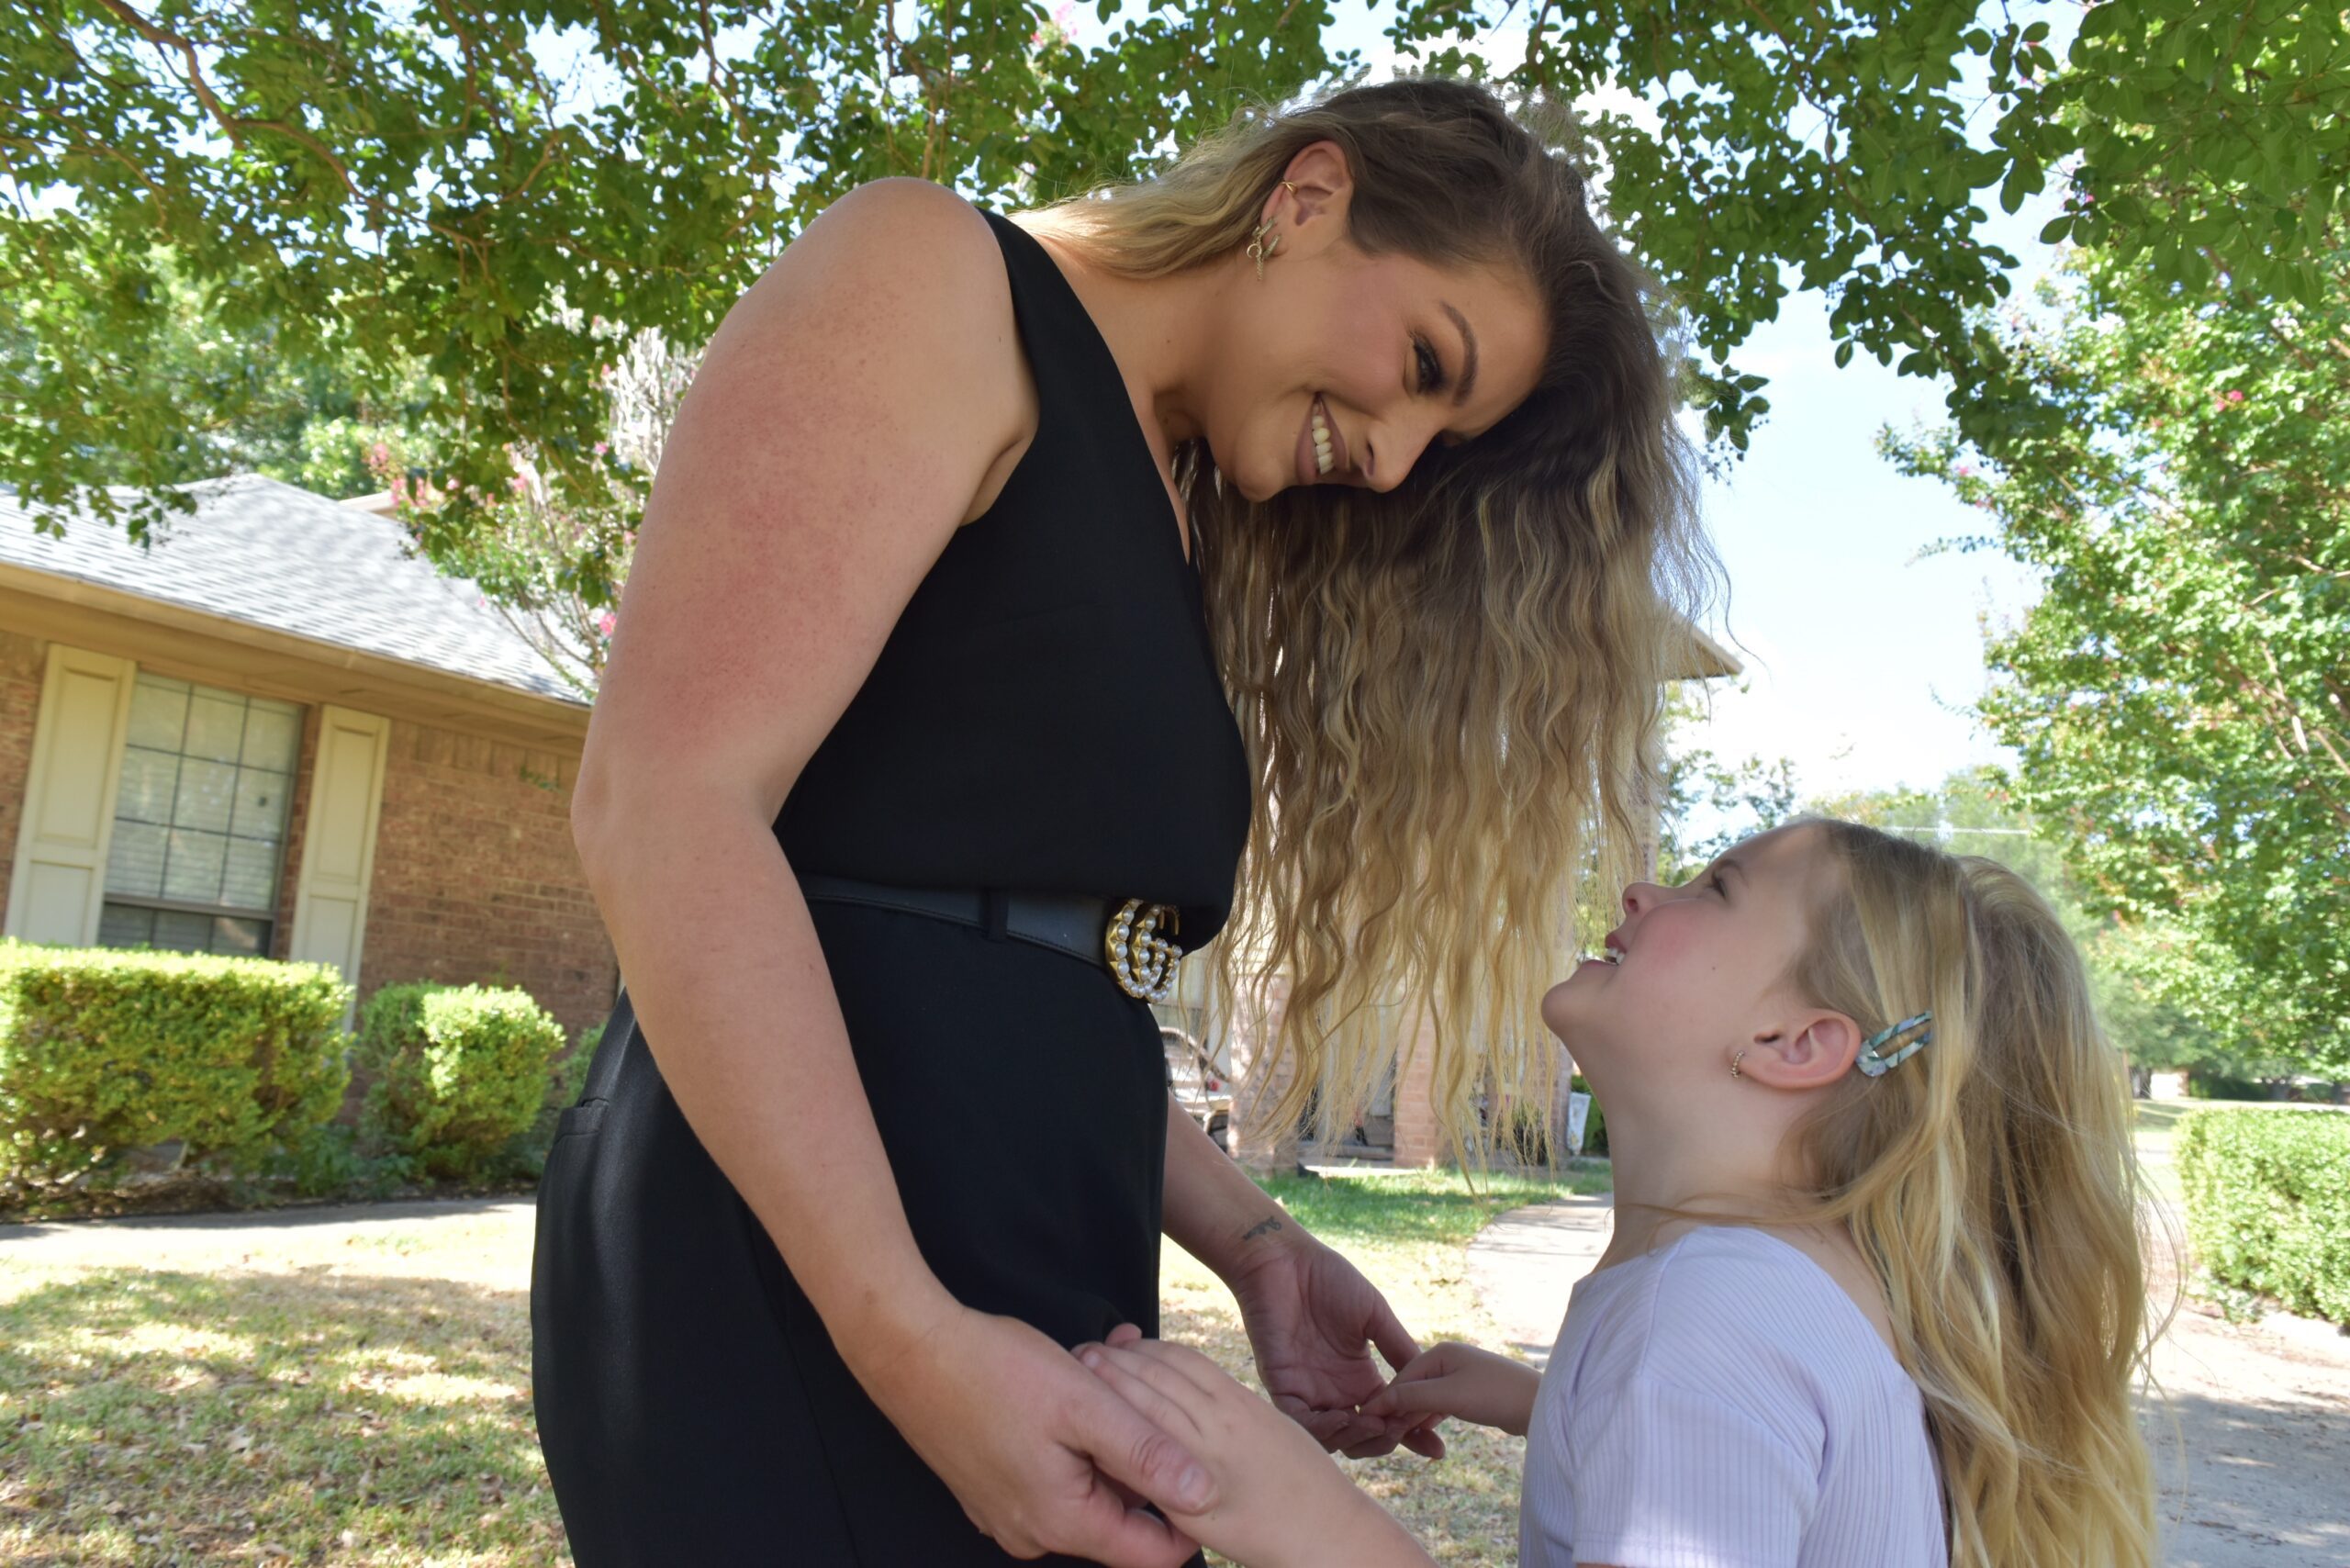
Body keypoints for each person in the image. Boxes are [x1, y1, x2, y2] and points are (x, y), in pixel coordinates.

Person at [531, 74, 1708, 1567]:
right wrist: (906, 1334)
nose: (1401, 458)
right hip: (798, 1263)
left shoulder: (1177, 505)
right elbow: (663, 806)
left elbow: (1018, 968)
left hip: (1027, 1254)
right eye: (1423, 361)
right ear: (1308, 197)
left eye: (1444, 434)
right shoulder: (934, 274)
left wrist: (1260, 1244)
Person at [1079, 819, 2163, 1568]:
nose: (1644, 889)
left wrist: (1295, 1511)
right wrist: (1556, 1407)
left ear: (1793, 1042)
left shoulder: (1710, 1316)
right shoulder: (1793, 1289)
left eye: (1716, 887)